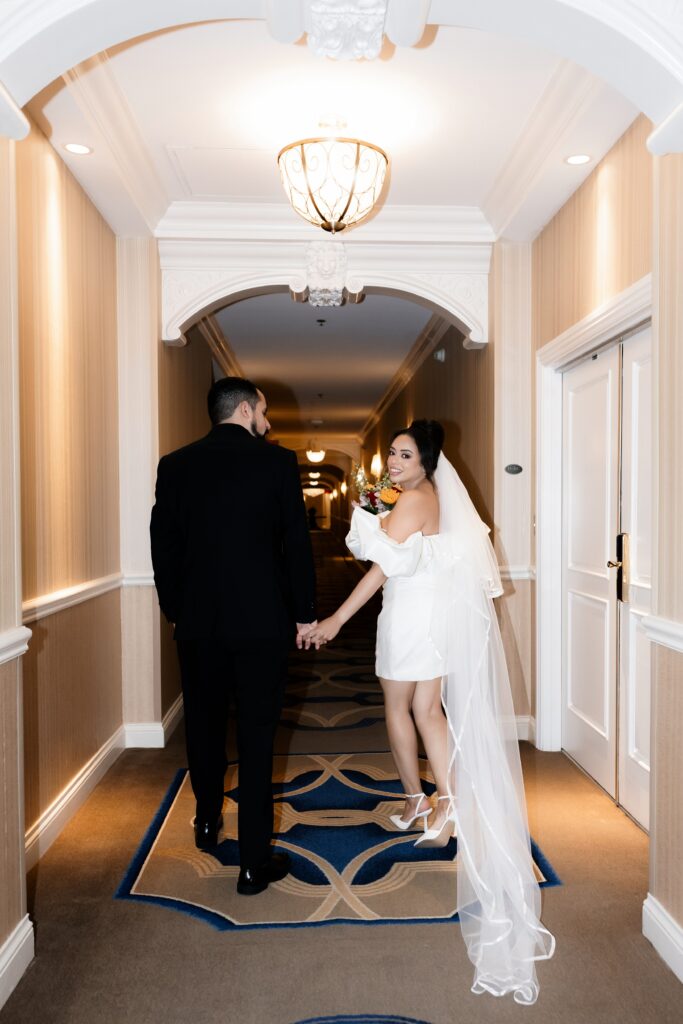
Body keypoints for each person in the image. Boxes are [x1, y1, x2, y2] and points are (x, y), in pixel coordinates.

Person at [307, 419, 555, 1004]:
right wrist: (377, 508)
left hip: (410, 617)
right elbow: (394, 558)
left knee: (399, 707)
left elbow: (375, 557)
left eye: (404, 454)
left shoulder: (414, 499)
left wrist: (341, 605)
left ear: (426, 462)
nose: (393, 462)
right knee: (429, 711)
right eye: (390, 453)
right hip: (433, 616)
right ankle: (444, 802)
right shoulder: (430, 497)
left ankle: (422, 800)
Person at [150, 376, 316, 896]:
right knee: (258, 736)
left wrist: (176, 610)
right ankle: (252, 862)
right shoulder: (276, 463)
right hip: (262, 622)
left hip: (197, 624)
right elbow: (296, 544)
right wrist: (305, 613)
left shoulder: (174, 466)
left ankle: (204, 819)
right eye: (264, 412)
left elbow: (163, 546)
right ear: (245, 410)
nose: (267, 423)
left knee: (202, 725)